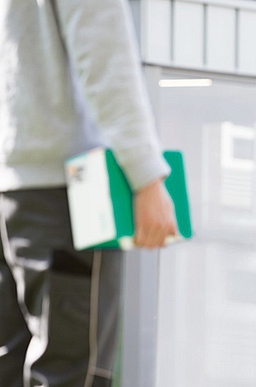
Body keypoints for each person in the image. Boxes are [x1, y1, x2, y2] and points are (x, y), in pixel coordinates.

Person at [0, 1, 177, 386]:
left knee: (10, 365)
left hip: (12, 190)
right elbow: (105, 57)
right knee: (71, 373)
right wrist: (146, 176)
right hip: (72, 195)